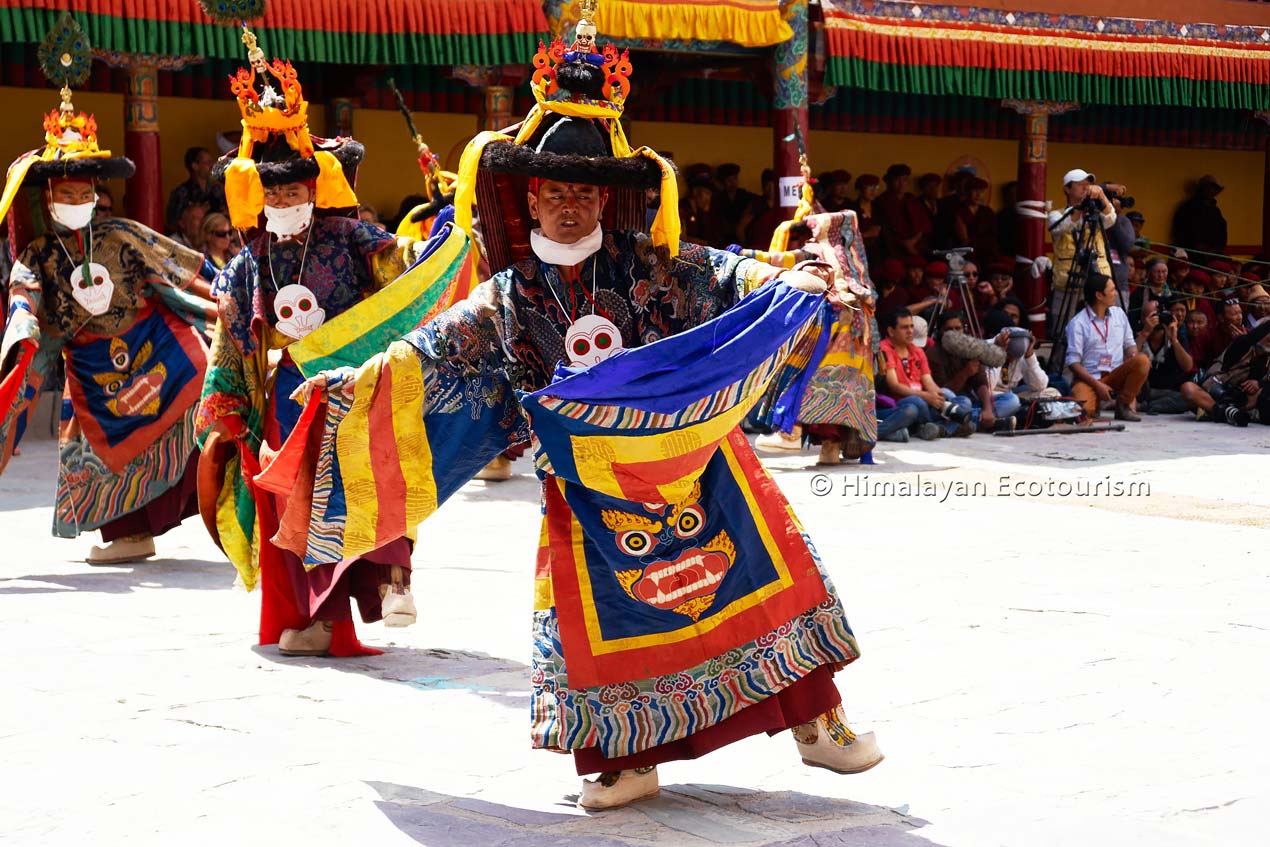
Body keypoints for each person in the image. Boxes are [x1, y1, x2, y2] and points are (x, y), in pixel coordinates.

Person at [277, 23, 883, 809]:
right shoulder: (508, 295)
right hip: (585, 486)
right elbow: (429, 350)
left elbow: (731, 272)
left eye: (583, 191)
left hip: (695, 459)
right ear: (531, 195)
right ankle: (627, 758)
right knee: (602, 619)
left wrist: (791, 272)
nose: (569, 205)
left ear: (606, 195)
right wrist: (352, 378)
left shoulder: (652, 264)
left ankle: (818, 727)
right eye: (555, 192)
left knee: (767, 579)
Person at [197, 33, 430, 657]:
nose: (284, 201)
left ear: (313, 187)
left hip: (355, 383)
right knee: (298, 508)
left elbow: (402, 274)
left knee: (369, 481)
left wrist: (442, 234)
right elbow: (232, 335)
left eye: (294, 191)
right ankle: (317, 617)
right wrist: (225, 406)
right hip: (286, 394)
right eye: (272, 194)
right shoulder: (249, 262)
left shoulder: (352, 235)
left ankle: (390, 581)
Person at [0, 76, 215, 564]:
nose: (76, 203)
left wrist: (225, 301)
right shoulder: (38, 254)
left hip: (155, 344)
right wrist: (22, 325)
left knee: (205, 407)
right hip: (93, 367)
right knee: (94, 453)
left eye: (84, 194)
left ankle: (228, 511)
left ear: (96, 193)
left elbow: (178, 271)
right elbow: (22, 294)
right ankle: (129, 533)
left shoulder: (121, 233)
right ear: (49, 195)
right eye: (66, 194)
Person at [1064, 273, 1148, 421]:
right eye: (1112, 290)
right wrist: (1097, 385)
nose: (1115, 293)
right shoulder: (1078, 323)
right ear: (1099, 295)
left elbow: (1130, 346)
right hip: (1090, 378)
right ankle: (1094, 404)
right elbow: (1073, 363)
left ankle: (1123, 405)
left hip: (1115, 373)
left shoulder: (1119, 314)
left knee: (1142, 361)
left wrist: (1132, 357)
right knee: (1083, 413)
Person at [878, 309, 973, 437]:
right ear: (891, 331)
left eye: (911, 326)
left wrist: (938, 396)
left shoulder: (917, 351)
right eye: (904, 327)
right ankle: (947, 427)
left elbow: (928, 381)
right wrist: (926, 396)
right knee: (914, 405)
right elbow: (894, 386)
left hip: (925, 402)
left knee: (963, 401)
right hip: (901, 403)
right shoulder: (884, 349)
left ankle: (935, 428)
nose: (911, 331)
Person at [1048, 169, 1116, 336]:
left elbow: (1111, 219)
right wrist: (1080, 206)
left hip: (1096, 279)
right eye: (1080, 185)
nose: (1086, 188)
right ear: (1067, 189)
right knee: (1063, 329)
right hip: (1068, 282)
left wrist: (1101, 196)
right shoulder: (1056, 215)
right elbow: (1062, 226)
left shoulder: (1095, 215)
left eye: (1088, 185)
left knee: (1101, 328)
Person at [1181, 319, 1270, 426]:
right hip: (1214, 394)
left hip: (1241, 400)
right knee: (1188, 388)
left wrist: (1258, 383)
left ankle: (1225, 413)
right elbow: (1247, 340)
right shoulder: (1241, 346)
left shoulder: (1266, 359)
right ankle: (1227, 412)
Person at [927, 312, 995, 432]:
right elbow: (943, 391)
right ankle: (956, 426)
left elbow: (981, 383)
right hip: (948, 404)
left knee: (1011, 400)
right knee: (964, 402)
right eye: (949, 329)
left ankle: (968, 420)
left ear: (964, 329)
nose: (954, 333)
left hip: (971, 402)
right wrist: (965, 373)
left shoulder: (971, 349)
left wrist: (987, 409)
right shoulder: (933, 354)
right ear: (940, 331)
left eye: (957, 328)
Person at [1135, 300, 1194, 415]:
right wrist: (1145, 333)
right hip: (1140, 390)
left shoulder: (1175, 335)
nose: (1157, 319)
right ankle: (1152, 405)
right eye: (1153, 316)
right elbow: (1127, 361)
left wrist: (1174, 341)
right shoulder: (1136, 333)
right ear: (1143, 318)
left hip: (1168, 391)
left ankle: (1147, 406)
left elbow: (1188, 367)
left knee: (1188, 399)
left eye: (1160, 315)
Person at [165, 145, 227, 232]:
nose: (212, 166)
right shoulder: (181, 193)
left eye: (212, 162)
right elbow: (171, 223)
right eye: (207, 162)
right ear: (195, 166)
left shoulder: (217, 190)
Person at [1171, 175, 1228, 256]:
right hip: (1193, 254)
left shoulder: (1216, 211)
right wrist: (1198, 247)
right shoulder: (1188, 208)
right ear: (1201, 189)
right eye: (1207, 188)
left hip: (1214, 254)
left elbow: (1222, 233)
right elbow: (1181, 232)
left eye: (1212, 189)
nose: (1210, 191)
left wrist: (1216, 249)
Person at [874, 164, 918, 259]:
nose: (901, 184)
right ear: (889, 182)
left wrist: (912, 242)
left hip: (915, 246)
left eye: (905, 180)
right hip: (891, 249)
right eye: (897, 180)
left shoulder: (913, 199)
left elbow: (922, 225)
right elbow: (884, 230)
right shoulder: (881, 201)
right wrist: (904, 244)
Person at [953, 177, 997, 265]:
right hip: (969, 251)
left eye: (981, 192)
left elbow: (994, 233)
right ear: (967, 192)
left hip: (987, 252)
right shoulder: (959, 211)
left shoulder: (987, 211)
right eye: (975, 191)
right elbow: (964, 239)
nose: (978, 195)